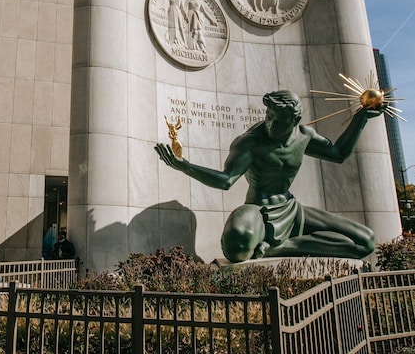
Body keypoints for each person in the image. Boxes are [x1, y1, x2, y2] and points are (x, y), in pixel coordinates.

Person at [154, 90, 381, 263]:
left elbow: (339, 154)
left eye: (278, 120)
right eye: (269, 116)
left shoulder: (303, 136)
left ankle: (277, 248)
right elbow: (226, 180)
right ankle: (269, 243)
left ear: (294, 121)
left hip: (291, 209)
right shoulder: (250, 142)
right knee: (237, 247)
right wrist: (186, 167)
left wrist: (361, 118)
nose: (270, 123)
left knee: (365, 242)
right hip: (258, 210)